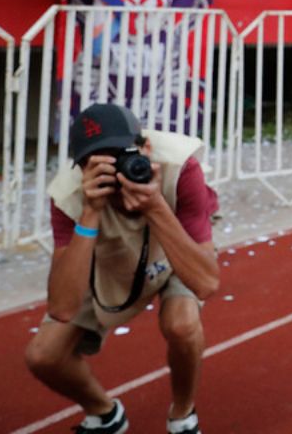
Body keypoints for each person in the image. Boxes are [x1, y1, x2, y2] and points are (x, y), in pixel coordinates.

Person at [24, 103, 219, 434]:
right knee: (44, 355)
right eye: (99, 163)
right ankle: (105, 414)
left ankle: (183, 415)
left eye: (121, 156)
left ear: (146, 148)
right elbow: (62, 308)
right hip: (107, 257)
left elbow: (206, 283)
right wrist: (90, 212)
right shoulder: (70, 195)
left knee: (182, 324)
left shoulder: (179, 167)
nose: (116, 172)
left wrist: (155, 206)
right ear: (81, 167)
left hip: (173, 245)